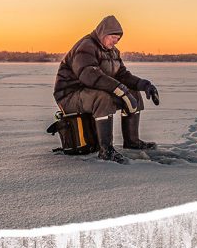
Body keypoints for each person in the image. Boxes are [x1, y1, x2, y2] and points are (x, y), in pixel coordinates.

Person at [53, 15, 160, 163]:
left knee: (133, 93)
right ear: (103, 34)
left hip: (88, 91)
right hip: (69, 95)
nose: (116, 41)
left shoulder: (113, 52)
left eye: (118, 39)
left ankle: (132, 142)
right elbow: (88, 75)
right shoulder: (86, 46)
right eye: (113, 37)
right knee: (103, 98)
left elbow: (122, 75)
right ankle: (106, 150)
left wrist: (144, 85)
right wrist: (119, 89)